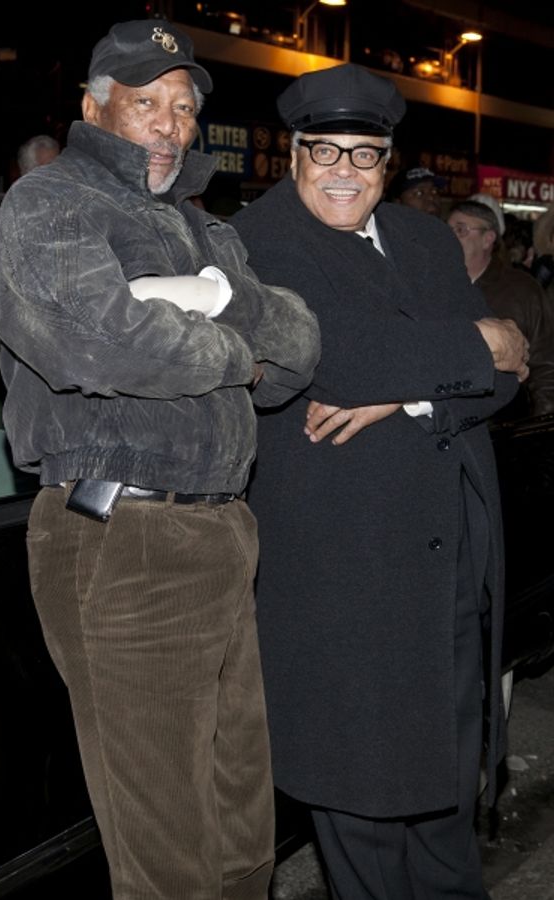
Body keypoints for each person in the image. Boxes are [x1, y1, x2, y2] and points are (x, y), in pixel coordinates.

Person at [0, 18, 320, 900]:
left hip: (223, 530)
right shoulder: (50, 204)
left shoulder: (209, 231)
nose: (172, 123)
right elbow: (102, 347)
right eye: (147, 103)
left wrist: (205, 299)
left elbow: (300, 348)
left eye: (184, 106)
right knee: (169, 850)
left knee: (245, 826)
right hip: (122, 535)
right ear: (94, 107)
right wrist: (233, 344)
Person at [231, 62, 529, 900]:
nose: (344, 173)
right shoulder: (256, 242)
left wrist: (411, 398)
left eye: (365, 156)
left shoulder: (425, 238)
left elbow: (509, 382)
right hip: (344, 587)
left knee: (446, 803)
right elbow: (326, 352)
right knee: (362, 810)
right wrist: (483, 343)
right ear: (291, 155)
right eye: (324, 150)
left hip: (448, 569)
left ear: (388, 164)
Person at [448, 199, 554, 417]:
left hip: (507, 427)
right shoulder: (430, 287)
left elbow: (546, 367)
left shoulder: (522, 290)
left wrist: (540, 427)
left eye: (461, 230)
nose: (450, 237)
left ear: (488, 239)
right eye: (447, 230)